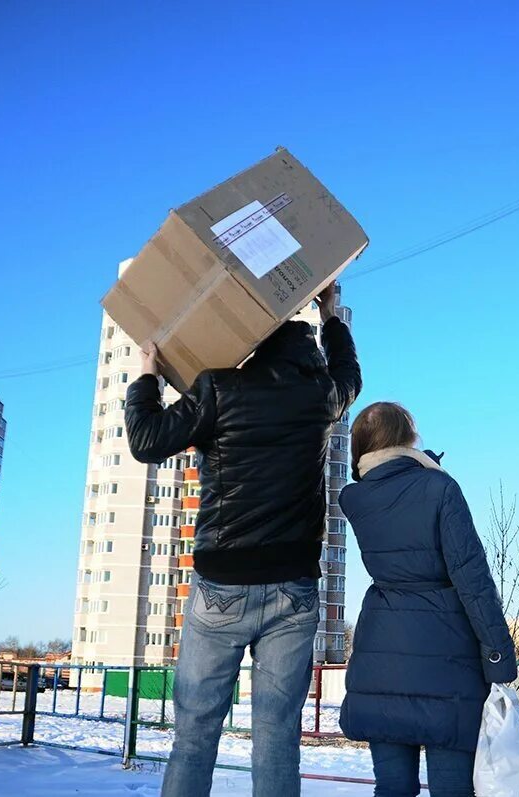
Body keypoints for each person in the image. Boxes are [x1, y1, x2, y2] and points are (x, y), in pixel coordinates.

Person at [124, 282, 361, 797]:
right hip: (294, 589)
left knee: (194, 736)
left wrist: (147, 374)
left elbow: (145, 441)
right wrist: (332, 314)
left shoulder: (218, 388)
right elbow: (350, 375)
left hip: (222, 586)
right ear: (306, 353)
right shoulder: (319, 396)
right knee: (277, 737)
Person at [338, 402, 517, 797]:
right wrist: (499, 655)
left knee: (392, 787)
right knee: (452, 787)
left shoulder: (356, 499)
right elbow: (472, 577)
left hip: (380, 652)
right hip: (446, 656)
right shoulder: (439, 487)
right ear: (407, 438)